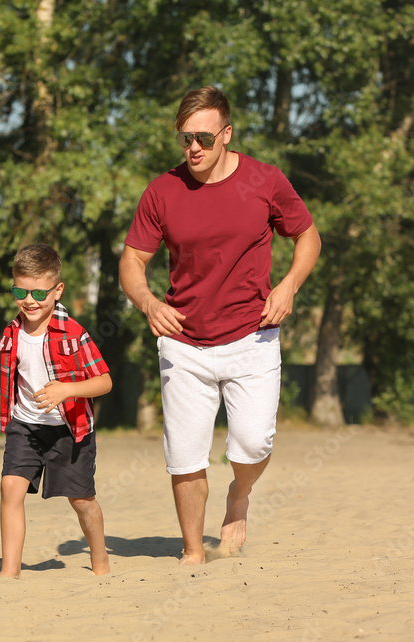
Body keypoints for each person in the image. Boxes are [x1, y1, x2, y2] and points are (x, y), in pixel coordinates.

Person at [119, 86, 321, 565]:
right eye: (185, 138)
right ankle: (192, 553)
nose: (193, 148)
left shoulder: (266, 181)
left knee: (252, 443)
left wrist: (289, 285)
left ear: (226, 134)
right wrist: (147, 302)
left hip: (252, 337)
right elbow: (132, 261)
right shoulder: (162, 190)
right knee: (185, 456)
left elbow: (308, 236)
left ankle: (239, 494)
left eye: (204, 139)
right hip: (182, 343)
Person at [0, 243, 113, 578]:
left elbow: (104, 382)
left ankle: (100, 560)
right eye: (20, 291)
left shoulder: (74, 334)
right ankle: (9, 571)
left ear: (58, 290)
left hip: (70, 430)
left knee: (81, 500)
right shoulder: (11, 334)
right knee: (10, 488)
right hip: (26, 426)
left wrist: (68, 390)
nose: (29, 300)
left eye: (38, 292)